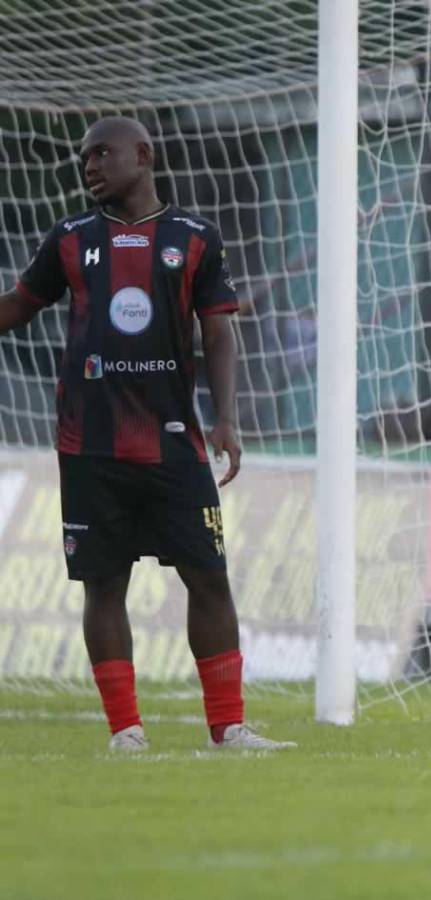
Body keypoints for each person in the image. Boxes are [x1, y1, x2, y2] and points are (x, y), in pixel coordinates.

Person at [0, 116, 294, 752]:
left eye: (103, 152)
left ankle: (229, 727)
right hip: (88, 445)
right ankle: (126, 732)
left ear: (144, 155)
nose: (91, 165)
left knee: (208, 576)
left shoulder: (193, 238)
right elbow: (20, 306)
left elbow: (218, 330)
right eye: (85, 156)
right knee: (104, 583)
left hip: (173, 443)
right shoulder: (72, 238)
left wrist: (226, 418)